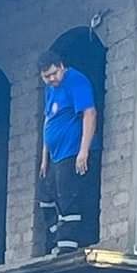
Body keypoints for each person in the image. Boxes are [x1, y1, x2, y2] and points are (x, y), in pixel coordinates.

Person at [37, 49, 100, 255]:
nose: (52, 79)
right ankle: (55, 239)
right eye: (47, 76)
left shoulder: (76, 81)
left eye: (54, 73)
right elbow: (49, 120)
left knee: (68, 198)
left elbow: (89, 113)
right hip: (54, 156)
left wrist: (83, 151)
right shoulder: (51, 89)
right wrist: (44, 157)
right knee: (46, 197)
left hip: (71, 152)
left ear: (62, 66)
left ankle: (67, 244)